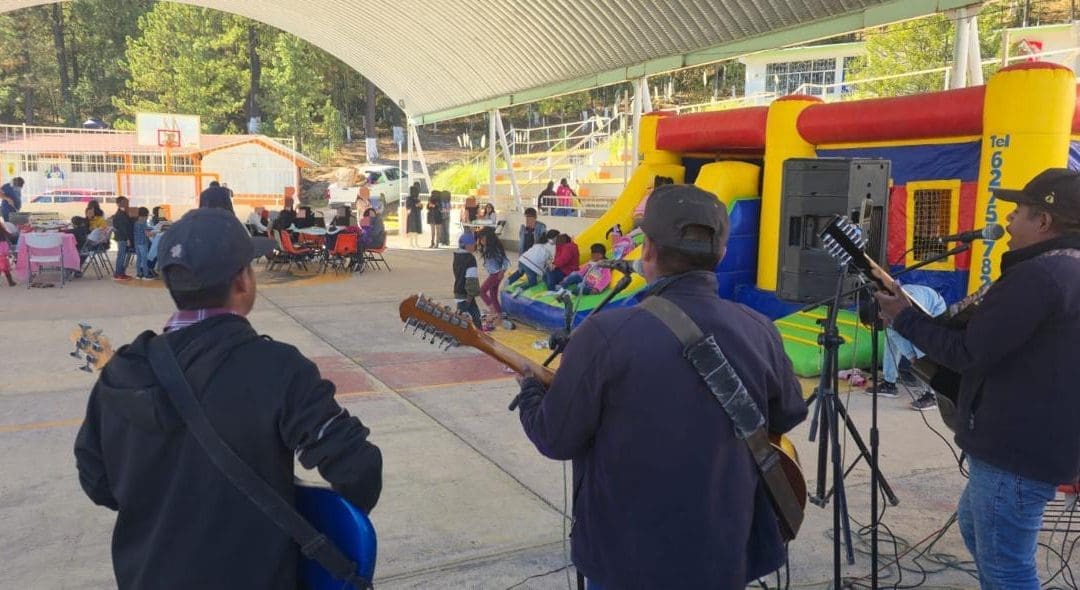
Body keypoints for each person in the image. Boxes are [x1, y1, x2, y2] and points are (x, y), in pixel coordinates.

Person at [512, 184, 807, 588]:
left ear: (646, 250)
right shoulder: (759, 328)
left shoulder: (603, 334)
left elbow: (555, 437)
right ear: (720, 254)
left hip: (626, 562)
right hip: (723, 553)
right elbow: (789, 412)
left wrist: (531, 392)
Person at [74, 208, 383, 590]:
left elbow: (96, 481)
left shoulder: (120, 372)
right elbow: (359, 469)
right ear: (242, 280)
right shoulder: (278, 367)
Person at [875, 167, 1080, 590]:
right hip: (1039, 441)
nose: (1007, 220)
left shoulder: (1039, 277)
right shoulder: (1063, 271)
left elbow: (969, 353)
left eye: (1018, 211)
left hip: (1016, 449)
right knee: (977, 528)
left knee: (1007, 567)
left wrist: (904, 319)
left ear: (1043, 221)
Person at [857, 284, 946, 411]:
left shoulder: (908, 311)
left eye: (875, 325)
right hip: (907, 311)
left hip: (934, 309)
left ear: (881, 315)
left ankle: (933, 395)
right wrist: (911, 357)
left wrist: (916, 361)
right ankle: (889, 384)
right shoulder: (886, 310)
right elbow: (901, 344)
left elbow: (917, 351)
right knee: (891, 337)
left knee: (922, 348)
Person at [507, 229, 558, 298]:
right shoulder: (553, 246)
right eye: (557, 237)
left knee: (520, 273)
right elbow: (550, 261)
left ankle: (508, 282)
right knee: (533, 283)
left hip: (523, 260)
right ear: (554, 237)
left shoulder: (541, 241)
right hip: (531, 265)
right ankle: (520, 289)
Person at [477, 227, 510, 324]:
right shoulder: (487, 247)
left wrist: (502, 271)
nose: (481, 241)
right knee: (493, 295)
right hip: (494, 274)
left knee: (481, 291)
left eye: (483, 239)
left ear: (489, 238)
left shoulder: (495, 248)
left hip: (496, 274)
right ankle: (499, 316)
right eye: (480, 239)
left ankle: (493, 312)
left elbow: (505, 260)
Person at [453, 232, 482, 328]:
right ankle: (478, 335)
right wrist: (470, 296)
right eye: (474, 244)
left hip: (458, 290)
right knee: (464, 318)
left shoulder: (457, 256)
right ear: (467, 245)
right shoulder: (470, 259)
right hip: (466, 294)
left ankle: (479, 334)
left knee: (475, 315)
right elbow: (471, 279)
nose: (475, 246)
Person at [111, 197, 134, 281]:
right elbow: (123, 228)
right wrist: (127, 238)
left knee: (122, 255)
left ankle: (121, 272)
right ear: (119, 203)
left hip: (122, 237)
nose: (127, 204)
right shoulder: (120, 214)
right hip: (122, 237)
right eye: (125, 202)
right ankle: (118, 274)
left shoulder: (123, 213)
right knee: (121, 256)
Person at [132, 207, 154, 280]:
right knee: (144, 259)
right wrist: (154, 233)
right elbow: (147, 234)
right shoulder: (143, 222)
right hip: (143, 243)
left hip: (136, 243)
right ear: (145, 214)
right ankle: (146, 274)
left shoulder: (136, 222)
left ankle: (139, 274)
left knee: (139, 258)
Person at [405, 182, 423, 248]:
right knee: (412, 230)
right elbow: (408, 206)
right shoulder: (409, 198)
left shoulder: (417, 199)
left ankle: (416, 243)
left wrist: (420, 205)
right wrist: (415, 205)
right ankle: (411, 243)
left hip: (417, 215)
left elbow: (421, 207)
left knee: (416, 230)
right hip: (412, 216)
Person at [0, 220, 15, 286]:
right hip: (3, 248)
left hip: (2, 248)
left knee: (2, 266)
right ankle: (10, 282)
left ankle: (11, 282)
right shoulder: (3, 229)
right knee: (5, 266)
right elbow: (10, 235)